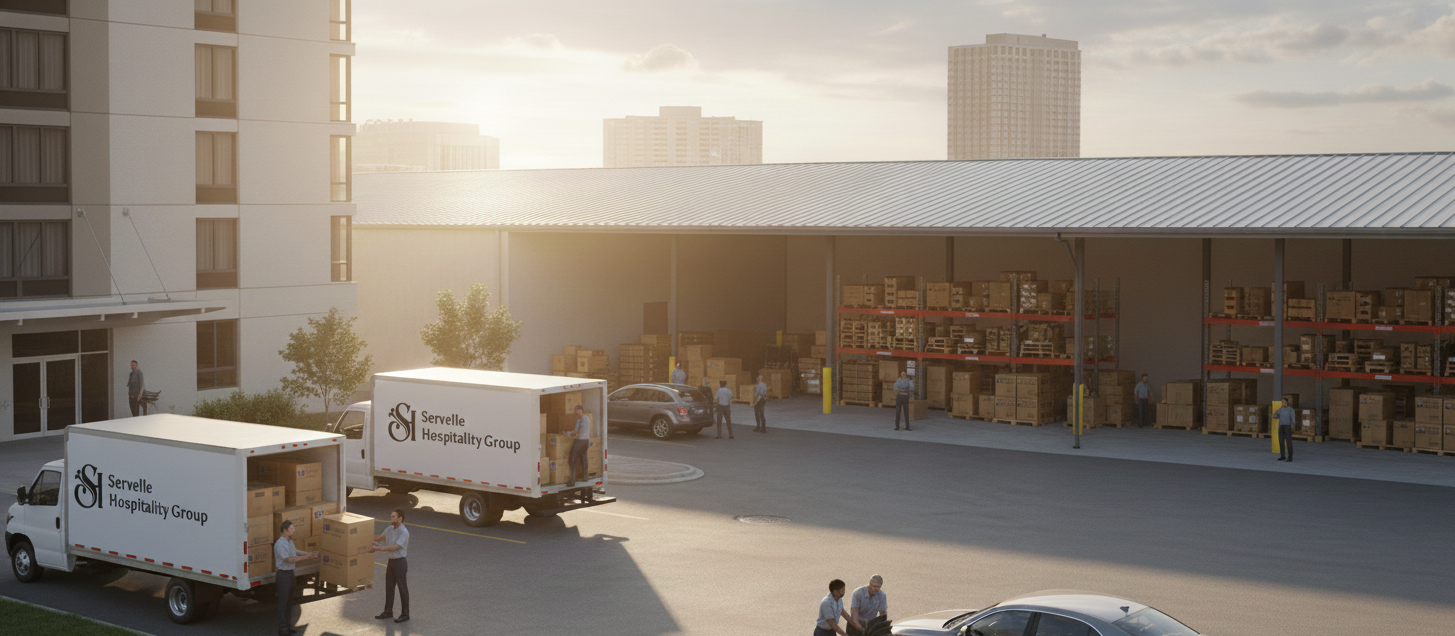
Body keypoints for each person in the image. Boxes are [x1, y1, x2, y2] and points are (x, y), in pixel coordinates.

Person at [274, 520, 318, 636]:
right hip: (283, 575)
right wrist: (306, 558)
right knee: (283, 603)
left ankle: (289, 626)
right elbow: (289, 559)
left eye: (293, 528)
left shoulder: (290, 542)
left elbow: (296, 552)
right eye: (291, 529)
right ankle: (282, 629)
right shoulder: (280, 544)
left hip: (290, 574)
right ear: (285, 530)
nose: (293, 530)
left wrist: (308, 554)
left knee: (290, 601)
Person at [371, 508, 411, 623]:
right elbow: (380, 538)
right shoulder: (389, 529)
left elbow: (395, 547)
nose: (391, 518)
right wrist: (367, 538)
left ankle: (405, 613)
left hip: (400, 563)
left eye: (394, 517)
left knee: (402, 588)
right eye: (391, 516)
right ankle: (388, 611)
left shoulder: (404, 532)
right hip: (391, 562)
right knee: (389, 587)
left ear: (400, 518)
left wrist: (378, 549)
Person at [567, 404, 592, 485]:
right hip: (586, 441)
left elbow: (578, 430)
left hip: (580, 441)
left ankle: (572, 479)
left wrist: (572, 434)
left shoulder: (582, 419)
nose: (574, 412)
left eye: (575, 410)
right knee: (583, 458)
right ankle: (585, 476)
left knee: (572, 458)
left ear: (579, 410)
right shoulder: (586, 418)